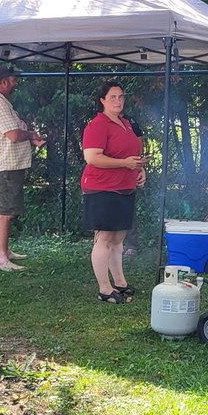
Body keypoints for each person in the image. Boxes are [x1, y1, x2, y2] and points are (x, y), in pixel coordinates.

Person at [81, 81, 146, 304]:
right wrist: (124, 163)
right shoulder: (97, 126)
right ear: (102, 101)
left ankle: (119, 282)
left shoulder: (126, 123)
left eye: (120, 97)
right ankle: (104, 288)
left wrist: (139, 168)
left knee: (119, 238)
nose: (118, 101)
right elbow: (92, 157)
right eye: (113, 97)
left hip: (124, 187)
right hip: (102, 188)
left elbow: (131, 155)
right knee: (105, 238)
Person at [0, 64, 45, 271]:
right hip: (4, 166)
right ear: (5, 81)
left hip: (8, 165)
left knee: (8, 210)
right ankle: (2, 260)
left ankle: (5, 251)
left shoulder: (1, 102)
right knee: (5, 212)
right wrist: (32, 135)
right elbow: (14, 135)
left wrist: (30, 136)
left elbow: (16, 130)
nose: (16, 83)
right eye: (14, 79)